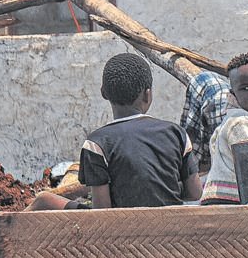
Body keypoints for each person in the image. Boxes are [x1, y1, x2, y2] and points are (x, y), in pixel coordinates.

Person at [79, 53, 202, 208]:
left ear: (104, 93)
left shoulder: (96, 142)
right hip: (172, 226)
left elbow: (102, 209)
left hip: (123, 229)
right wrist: (166, 191)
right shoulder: (176, 133)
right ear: (147, 94)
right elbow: (195, 193)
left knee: (45, 200)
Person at [200, 52, 248, 204]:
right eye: (245, 88)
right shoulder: (240, 123)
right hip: (229, 199)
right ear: (233, 94)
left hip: (226, 198)